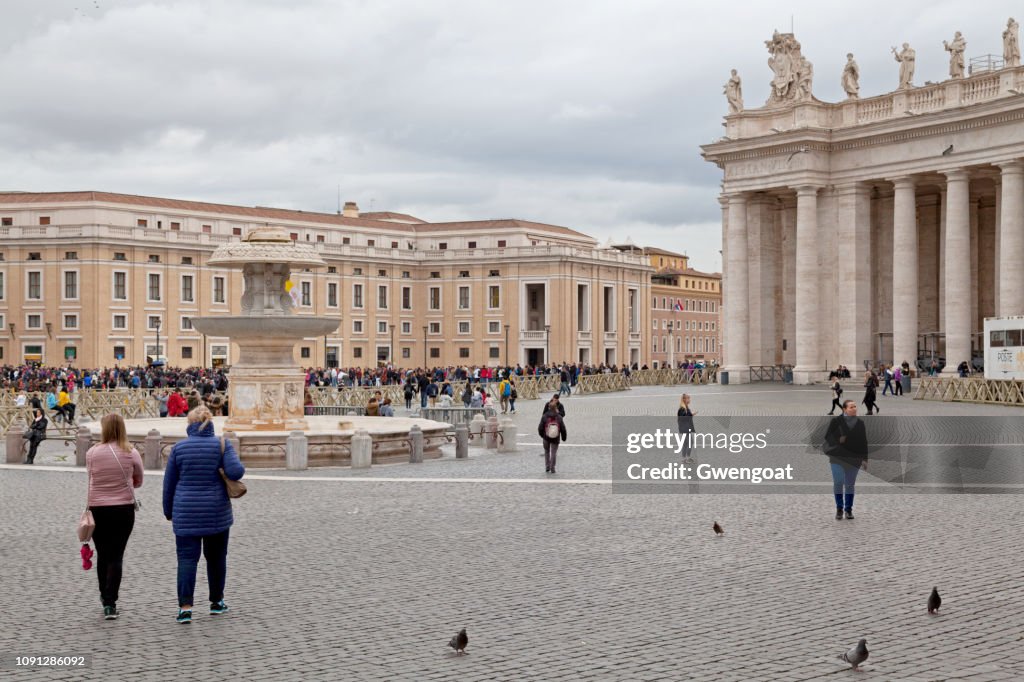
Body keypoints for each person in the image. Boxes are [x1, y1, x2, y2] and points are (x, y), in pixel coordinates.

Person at [163, 406, 245, 624]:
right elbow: (236, 472)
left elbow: (169, 484)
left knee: (187, 559)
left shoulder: (179, 448)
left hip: (185, 511)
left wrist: (168, 511)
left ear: (189, 424)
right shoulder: (221, 444)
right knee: (217, 558)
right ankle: (216, 602)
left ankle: (185, 608)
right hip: (216, 512)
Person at [86, 414, 144, 620]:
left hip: (98, 507)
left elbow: (91, 476)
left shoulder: (92, 452)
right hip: (122, 509)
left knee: (103, 553)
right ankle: (111, 602)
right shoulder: (131, 452)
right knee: (117, 555)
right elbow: (139, 480)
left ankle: (104, 596)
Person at [823, 400, 868, 519]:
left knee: (849, 485)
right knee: (838, 482)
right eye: (851, 407)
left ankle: (848, 509)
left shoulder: (860, 423)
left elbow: (864, 442)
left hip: (854, 459)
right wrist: (838, 440)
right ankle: (839, 508)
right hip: (837, 458)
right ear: (844, 409)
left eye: (855, 406)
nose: (854, 409)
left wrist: (865, 458)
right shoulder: (836, 421)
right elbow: (827, 437)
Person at [539, 404, 567, 474]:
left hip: (546, 437)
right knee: (553, 452)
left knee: (546, 451)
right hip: (556, 437)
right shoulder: (559, 417)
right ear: (556, 408)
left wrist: (542, 435)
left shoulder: (545, 416)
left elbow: (540, 428)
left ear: (548, 408)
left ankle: (547, 466)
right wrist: (564, 437)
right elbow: (563, 429)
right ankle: (552, 468)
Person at [676, 394, 697, 462]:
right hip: (685, 428)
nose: (689, 400)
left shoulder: (685, 407)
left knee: (685, 443)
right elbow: (683, 418)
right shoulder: (682, 408)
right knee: (690, 442)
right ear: (684, 400)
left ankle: (684, 458)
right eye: (688, 398)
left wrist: (690, 414)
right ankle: (687, 458)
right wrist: (691, 414)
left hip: (685, 428)